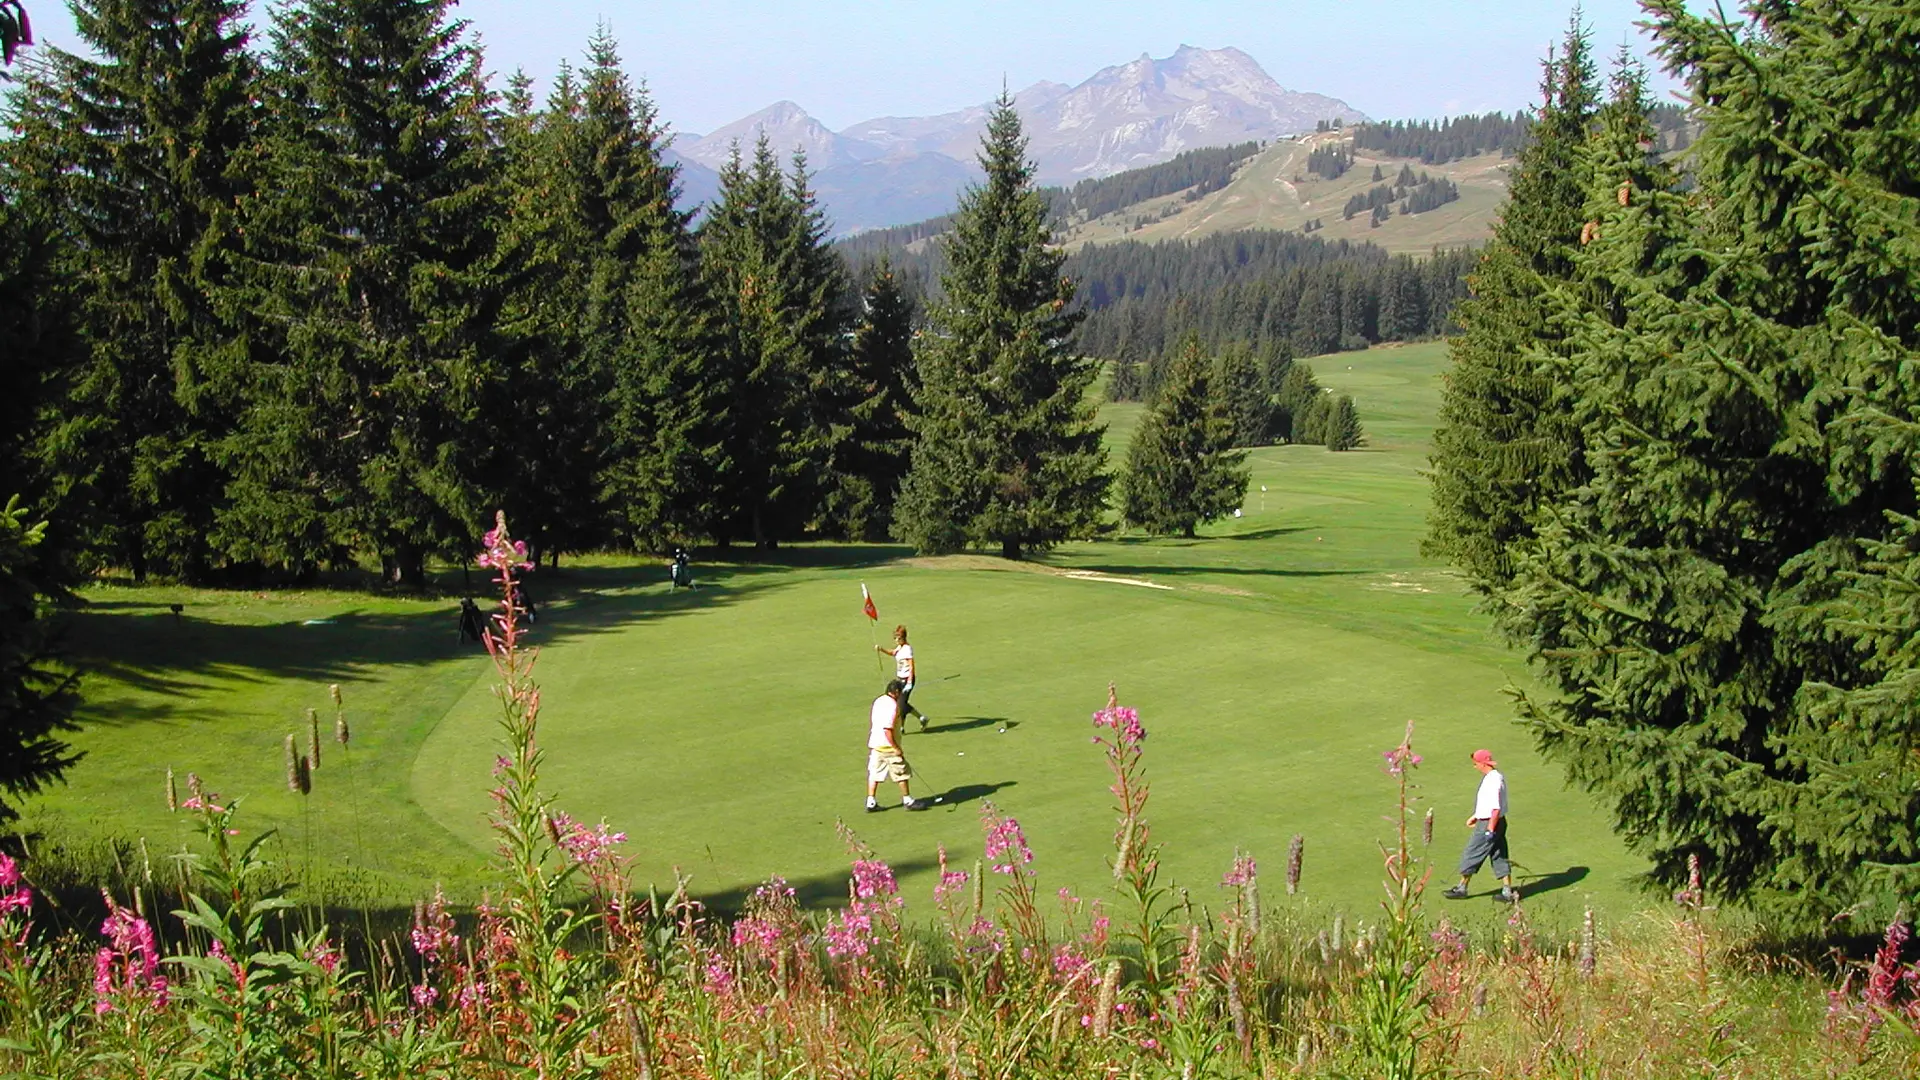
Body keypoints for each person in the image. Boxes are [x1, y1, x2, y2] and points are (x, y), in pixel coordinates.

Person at [1444, 749, 1517, 902]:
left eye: (1476, 763)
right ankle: (1507, 891)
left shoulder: (1492, 781)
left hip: (1490, 824)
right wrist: (1476, 816)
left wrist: (1489, 829)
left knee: (1472, 853)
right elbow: (1488, 805)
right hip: (1496, 822)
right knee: (1499, 855)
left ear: (1483, 763)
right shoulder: (1495, 776)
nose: (1475, 766)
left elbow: (1495, 808)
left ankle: (1462, 888)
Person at [866, 678, 928, 812]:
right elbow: (887, 730)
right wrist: (896, 748)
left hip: (875, 744)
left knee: (874, 774)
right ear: (895, 692)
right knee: (901, 773)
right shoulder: (893, 707)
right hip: (887, 747)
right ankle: (908, 800)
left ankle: (870, 802)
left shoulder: (878, 700)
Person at [874, 624, 927, 730]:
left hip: (907, 679)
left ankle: (919, 718)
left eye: (899, 638)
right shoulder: (900, 647)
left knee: (901, 704)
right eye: (895, 638)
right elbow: (893, 653)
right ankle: (906, 724)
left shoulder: (907, 649)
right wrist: (881, 649)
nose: (896, 640)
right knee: (901, 703)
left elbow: (911, 666)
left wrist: (909, 682)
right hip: (900, 679)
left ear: (904, 638)